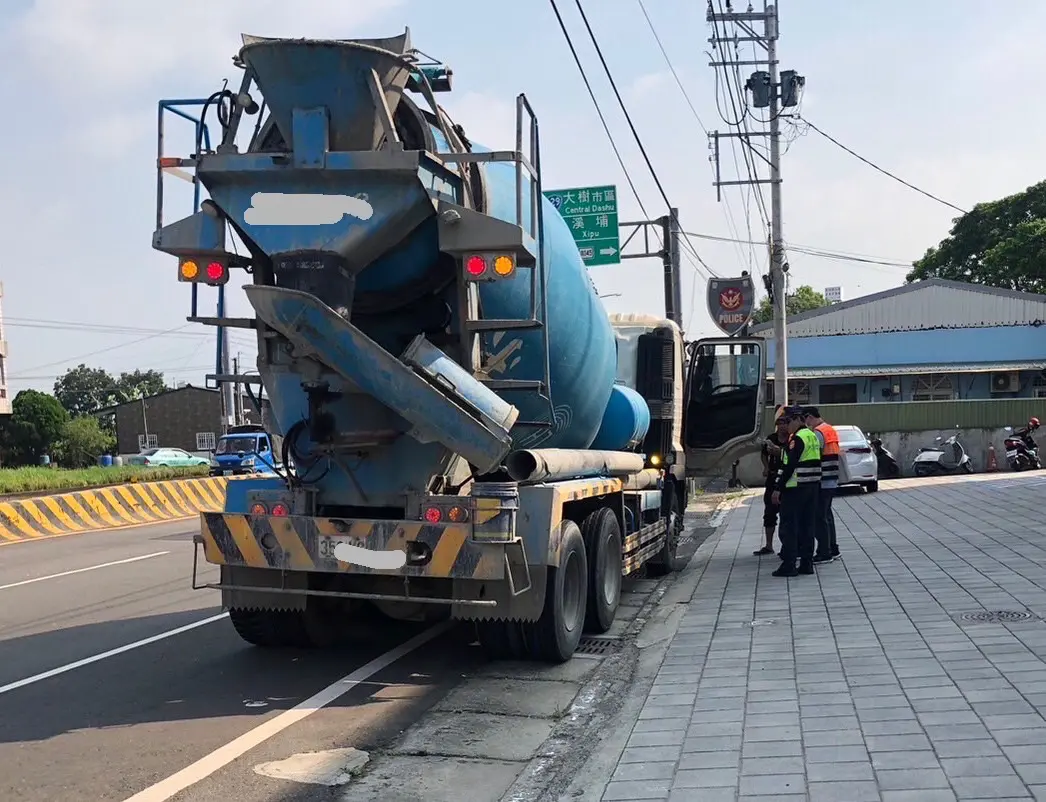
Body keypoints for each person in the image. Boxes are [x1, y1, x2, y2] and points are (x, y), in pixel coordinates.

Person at [771, 408, 821, 578]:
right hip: (812, 487)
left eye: (789, 422)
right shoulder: (811, 435)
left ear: (798, 420)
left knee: (789, 526)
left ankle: (789, 564)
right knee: (807, 525)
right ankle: (807, 563)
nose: (787, 426)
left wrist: (778, 488)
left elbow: (789, 465)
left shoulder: (797, 438)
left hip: (795, 488)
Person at [804, 406, 841, 563]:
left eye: (805, 419)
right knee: (827, 515)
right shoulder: (830, 429)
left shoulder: (818, 432)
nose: (806, 423)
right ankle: (833, 548)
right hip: (832, 478)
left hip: (822, 478)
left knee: (820, 517)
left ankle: (824, 552)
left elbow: (815, 454)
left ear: (810, 417)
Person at [754, 409, 789, 556]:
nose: (782, 427)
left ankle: (787, 545)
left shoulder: (792, 439)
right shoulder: (771, 438)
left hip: (787, 479)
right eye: (779, 424)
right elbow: (763, 455)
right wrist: (766, 467)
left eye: (784, 424)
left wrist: (779, 452)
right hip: (773, 478)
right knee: (769, 512)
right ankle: (769, 545)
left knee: (787, 514)